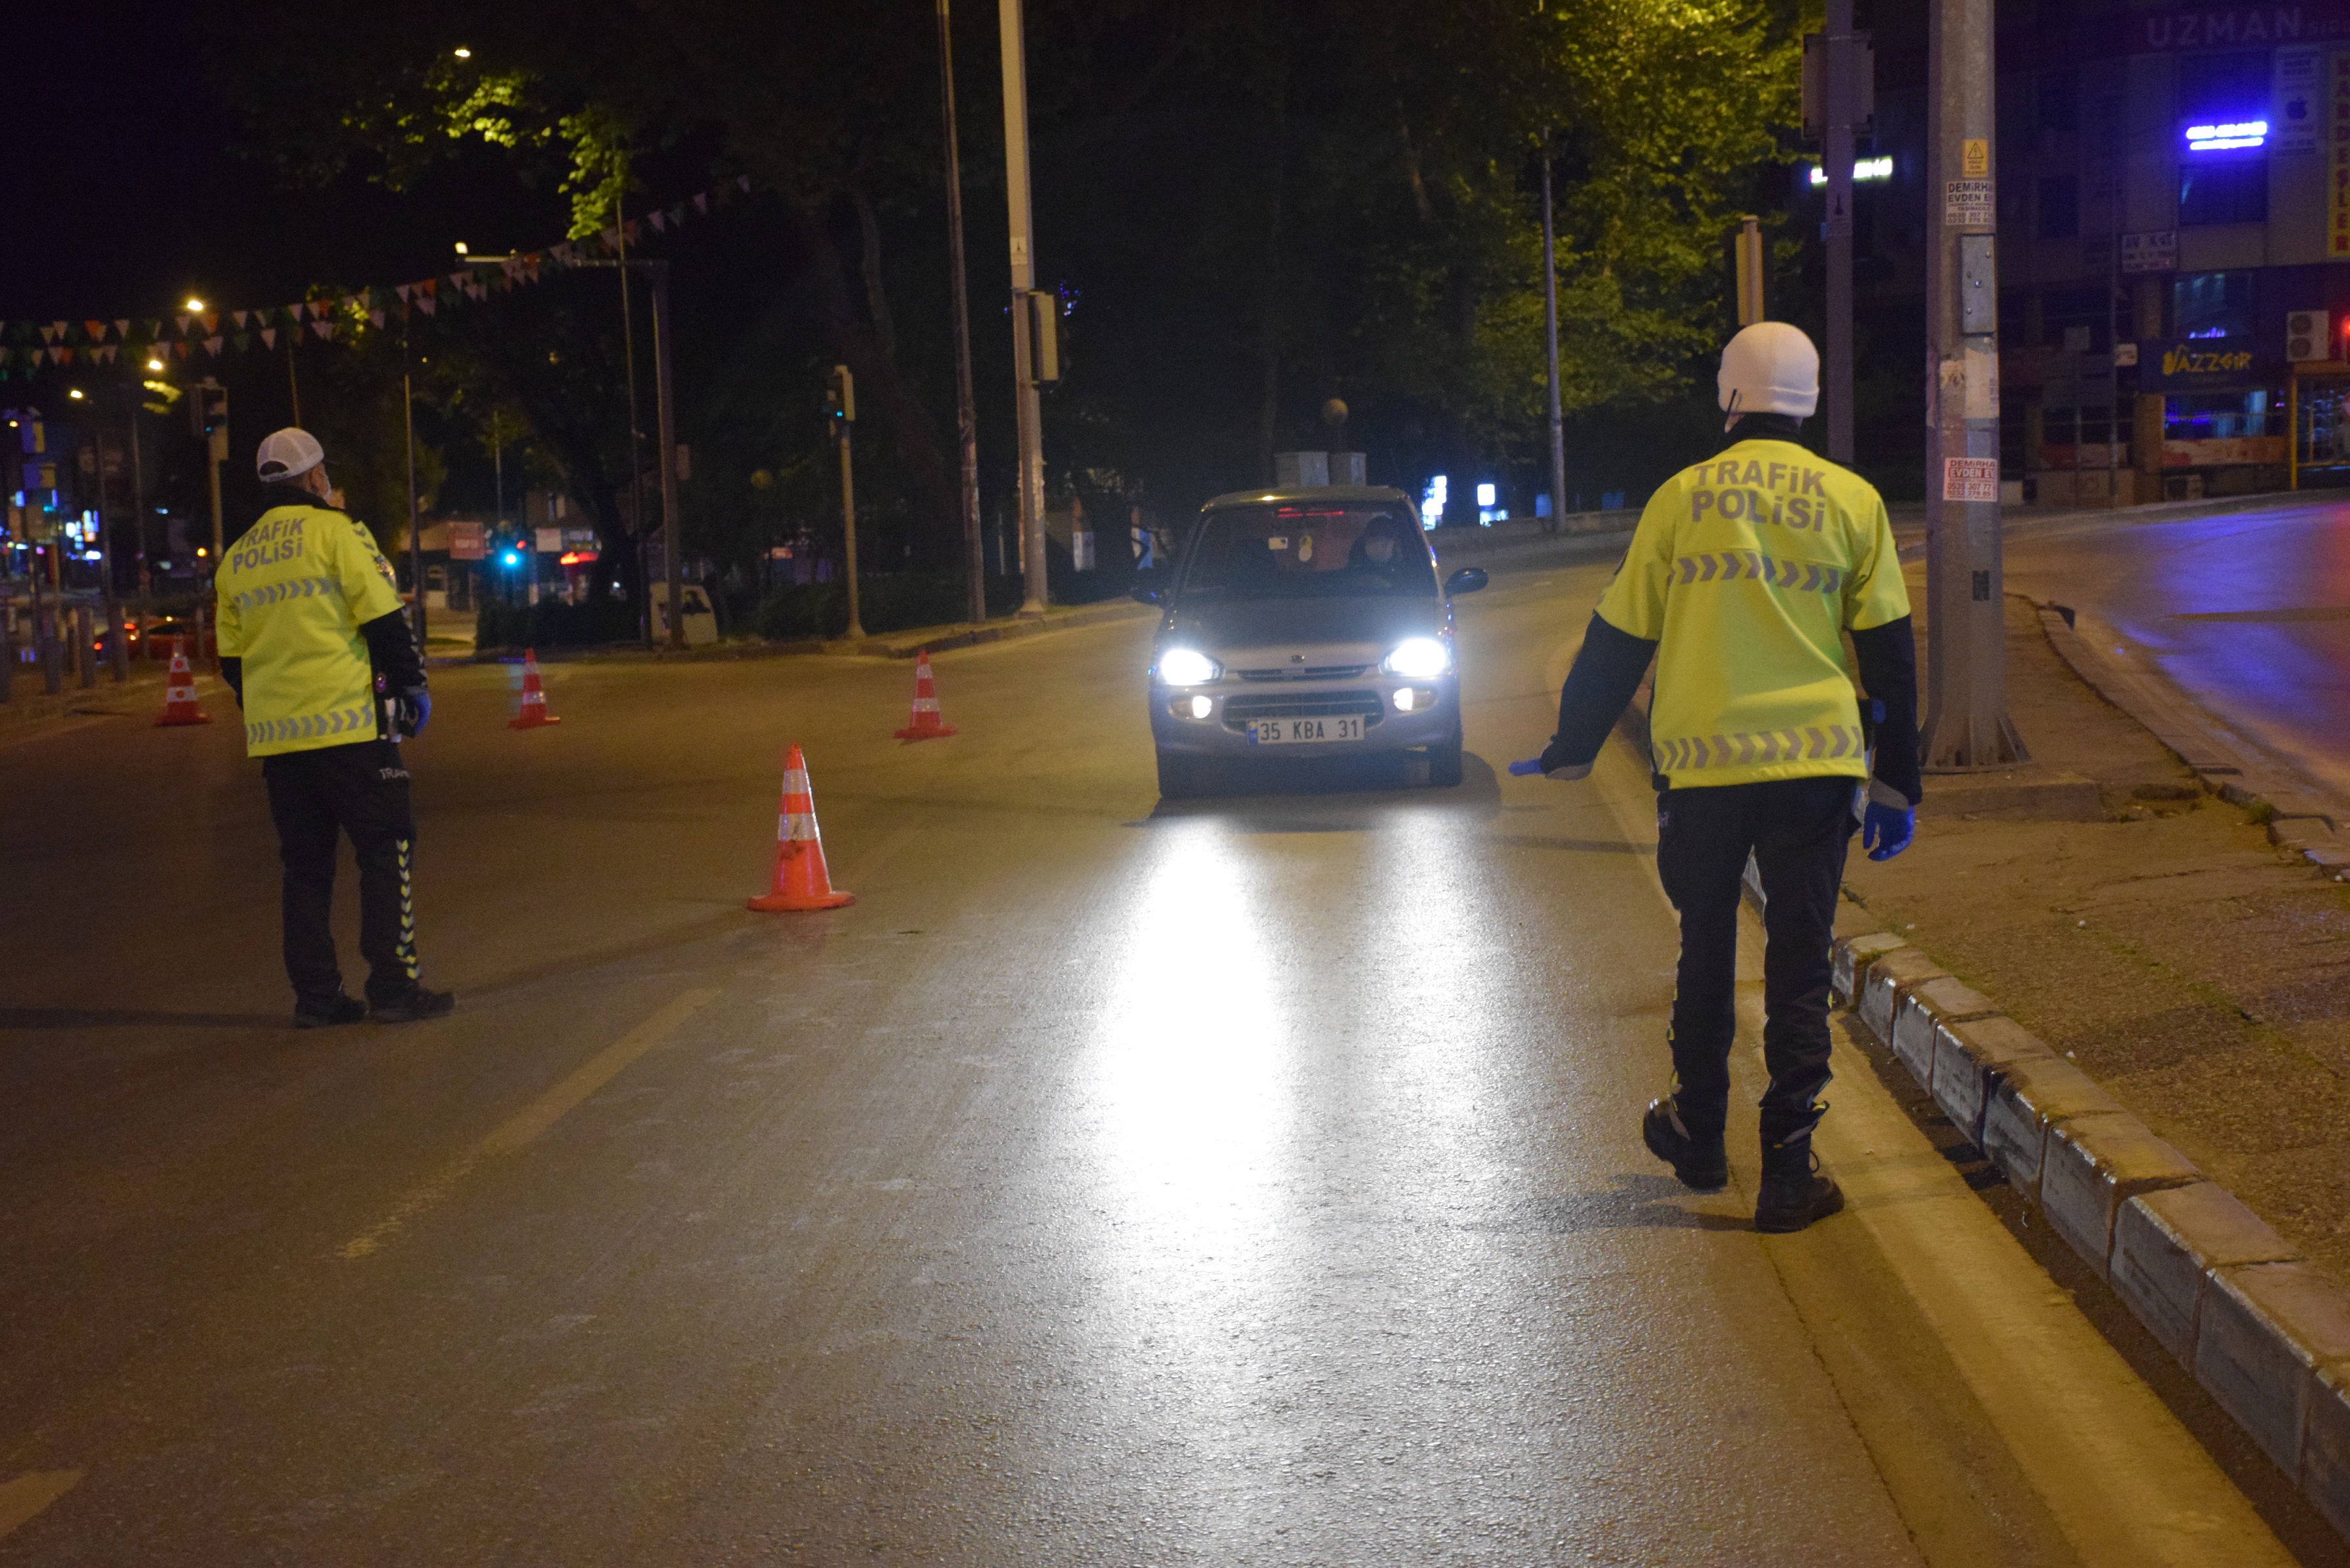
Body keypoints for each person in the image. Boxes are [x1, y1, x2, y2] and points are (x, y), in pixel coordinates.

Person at [1524, 322, 1918, 1233]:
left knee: (1706, 950)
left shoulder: (1679, 499)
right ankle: (1788, 1171)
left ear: (1730, 395)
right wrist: (1899, 782)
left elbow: (1617, 635)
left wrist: (1572, 743)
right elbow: (1890, 656)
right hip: (1816, 768)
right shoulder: (1853, 502)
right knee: (1797, 962)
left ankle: (1699, 1133)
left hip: (1701, 774)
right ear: (1809, 397)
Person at [215, 428, 455, 1028]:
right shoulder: (339, 532)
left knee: (305, 870)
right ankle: (394, 987)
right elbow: (383, 619)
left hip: (281, 744)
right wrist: (414, 686)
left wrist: (269, 709)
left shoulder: (238, 556)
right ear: (315, 476)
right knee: (387, 848)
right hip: (351, 731)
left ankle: (317, 998)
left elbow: (230, 659)